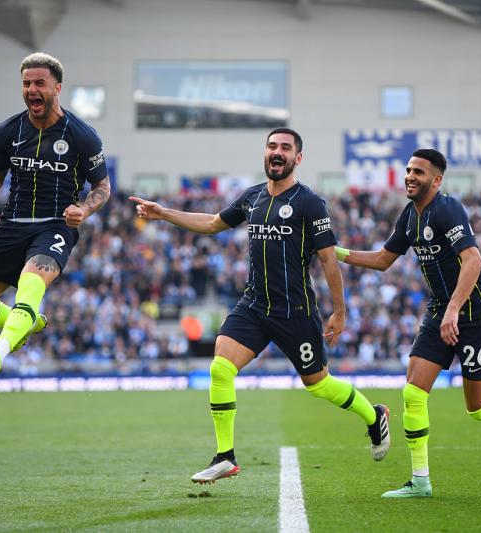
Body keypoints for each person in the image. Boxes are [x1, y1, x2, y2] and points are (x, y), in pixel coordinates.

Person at [130, 127, 390, 484]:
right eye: (272, 146)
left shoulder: (310, 203)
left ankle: (374, 416)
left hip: (294, 311)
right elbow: (212, 223)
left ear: (298, 158)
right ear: (265, 153)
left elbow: (329, 260)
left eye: (285, 147)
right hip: (253, 305)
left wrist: (340, 311)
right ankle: (225, 457)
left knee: (318, 384)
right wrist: (164, 213)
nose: (277, 152)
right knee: (221, 368)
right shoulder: (252, 197)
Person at [335, 148, 481, 498]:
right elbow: (384, 259)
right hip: (439, 311)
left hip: (473, 313)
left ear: (436, 179)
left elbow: (473, 260)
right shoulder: (409, 215)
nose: (410, 176)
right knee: (413, 392)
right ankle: (420, 481)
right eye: (408, 170)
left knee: (479, 408)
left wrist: (454, 310)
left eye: (418, 172)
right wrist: (334, 252)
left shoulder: (447, 209)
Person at [0, 52, 111, 379]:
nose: (32, 89)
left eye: (39, 83)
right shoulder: (8, 131)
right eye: (26, 83)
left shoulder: (81, 135)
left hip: (55, 226)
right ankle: (27, 321)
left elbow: (102, 186)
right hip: (12, 225)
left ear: (57, 88)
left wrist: (84, 209)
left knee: (30, 287)